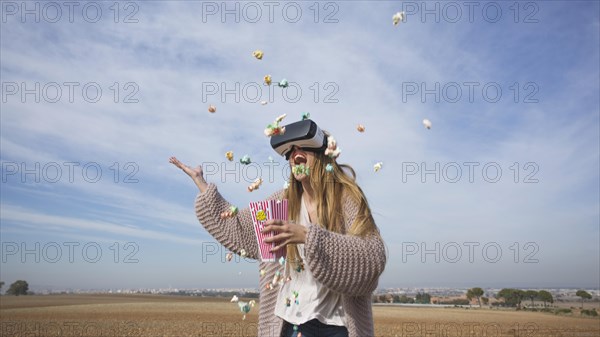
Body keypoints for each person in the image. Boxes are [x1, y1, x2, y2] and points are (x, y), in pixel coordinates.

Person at [170, 119, 386, 337]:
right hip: (288, 325)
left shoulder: (347, 200)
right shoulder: (279, 205)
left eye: (302, 148)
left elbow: (372, 259)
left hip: (336, 326)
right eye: (290, 151)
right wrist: (202, 185)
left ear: (323, 153)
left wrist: (308, 237)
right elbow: (238, 228)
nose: (294, 154)